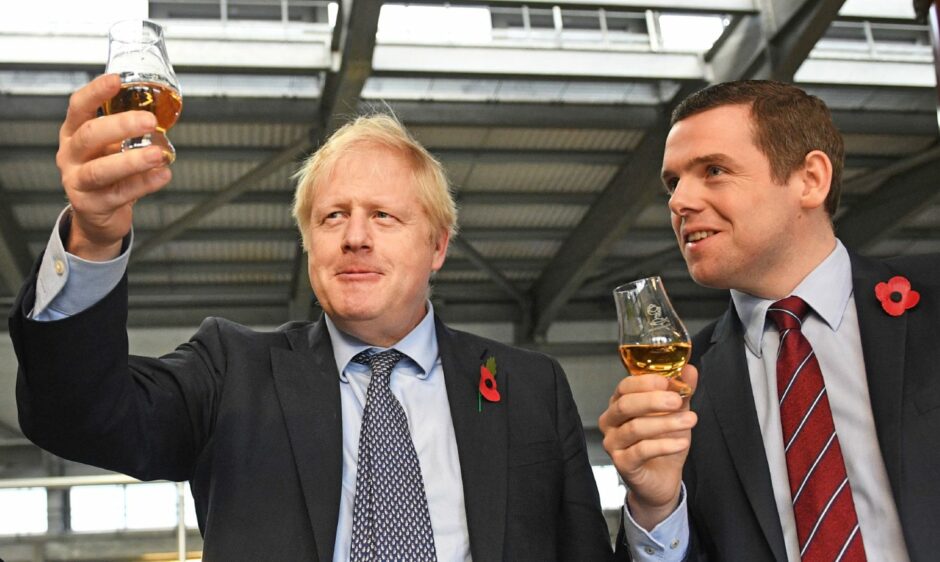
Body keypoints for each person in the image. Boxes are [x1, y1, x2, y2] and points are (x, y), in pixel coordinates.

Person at [9, 73, 617, 561]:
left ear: (437, 246)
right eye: (331, 217)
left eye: (383, 216)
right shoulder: (231, 373)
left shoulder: (529, 387)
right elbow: (78, 416)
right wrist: (92, 235)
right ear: (309, 245)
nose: (354, 237)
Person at [599, 80, 940, 562]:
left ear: (810, 179)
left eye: (713, 170)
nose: (678, 202)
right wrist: (655, 506)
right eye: (673, 183)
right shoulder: (683, 388)